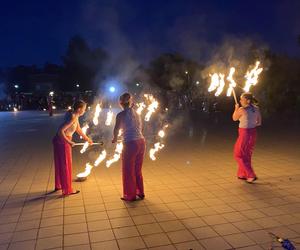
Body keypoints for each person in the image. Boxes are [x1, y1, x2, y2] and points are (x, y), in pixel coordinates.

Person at [53, 100, 93, 195]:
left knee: (61, 164)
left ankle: (60, 185)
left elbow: (78, 129)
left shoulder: (75, 115)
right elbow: (60, 131)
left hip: (59, 140)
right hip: (62, 141)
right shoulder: (72, 117)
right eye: (84, 109)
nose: (85, 111)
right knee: (66, 165)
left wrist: (87, 139)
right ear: (79, 109)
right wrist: (69, 141)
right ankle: (68, 190)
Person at [112, 93, 145, 201]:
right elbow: (140, 128)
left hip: (130, 144)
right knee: (137, 169)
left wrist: (115, 139)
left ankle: (130, 195)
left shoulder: (120, 115)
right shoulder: (137, 113)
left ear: (120, 103)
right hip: (141, 142)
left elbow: (116, 129)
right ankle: (140, 192)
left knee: (128, 170)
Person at [232, 93, 262, 183]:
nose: (240, 101)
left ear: (247, 101)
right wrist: (250, 122)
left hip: (244, 133)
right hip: (253, 133)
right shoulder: (256, 108)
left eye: (242, 99)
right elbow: (259, 122)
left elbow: (234, 118)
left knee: (238, 155)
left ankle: (251, 175)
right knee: (247, 155)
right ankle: (242, 174)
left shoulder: (242, 109)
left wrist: (236, 108)